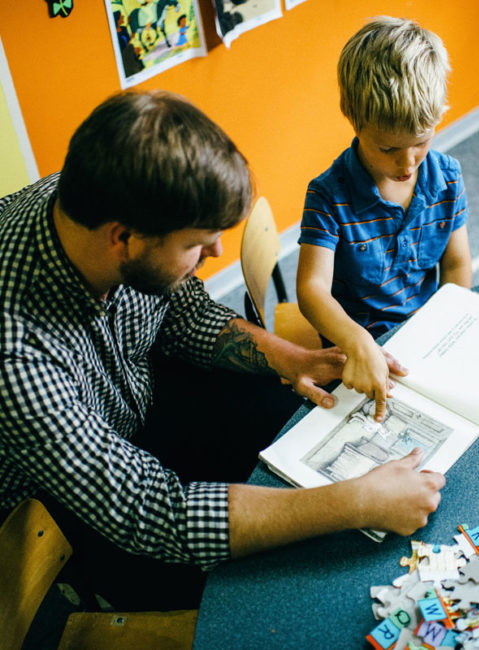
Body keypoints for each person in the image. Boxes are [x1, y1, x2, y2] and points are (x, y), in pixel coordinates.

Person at [0, 90, 446, 611]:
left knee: (295, 413)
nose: (215, 255)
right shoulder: (17, 357)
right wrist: (357, 502)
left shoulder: (90, 200)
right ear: (124, 239)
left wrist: (287, 356)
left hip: (138, 401)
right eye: (197, 244)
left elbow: (182, 312)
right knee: (280, 586)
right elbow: (150, 513)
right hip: (64, 505)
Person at [297, 17, 473, 423]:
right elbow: (311, 289)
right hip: (353, 345)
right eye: (389, 147)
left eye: (422, 142)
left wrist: (446, 327)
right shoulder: (328, 194)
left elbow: (456, 265)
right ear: (354, 121)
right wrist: (357, 341)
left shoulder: (447, 177)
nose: (408, 162)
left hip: (425, 333)